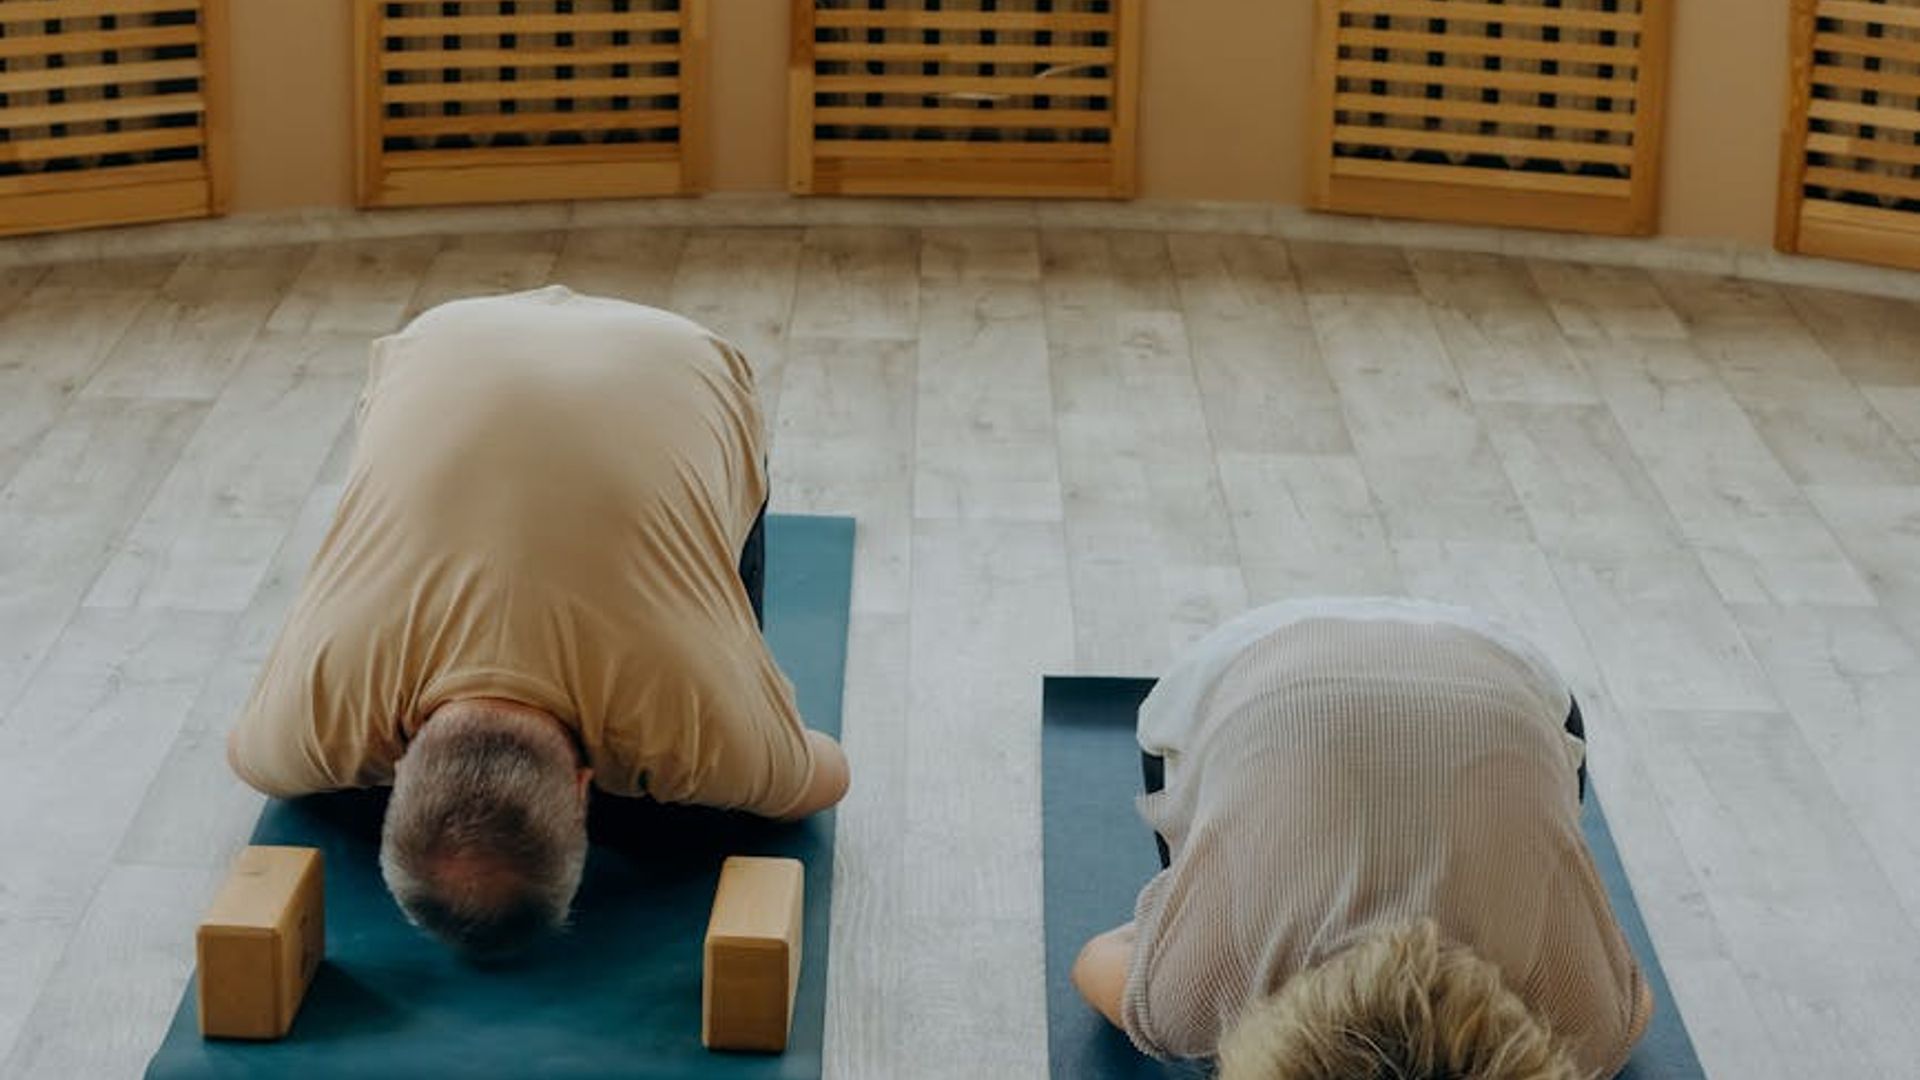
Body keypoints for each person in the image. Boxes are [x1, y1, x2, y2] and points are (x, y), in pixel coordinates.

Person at [227, 286, 849, 958]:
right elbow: (246, 756)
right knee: (695, 801)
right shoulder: (315, 713)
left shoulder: (689, 707)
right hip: (456, 344)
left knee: (702, 818)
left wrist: (720, 752)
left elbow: (823, 778)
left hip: (678, 369)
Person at [1071, 598, 1653, 1080]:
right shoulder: (1195, 1003)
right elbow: (1096, 962)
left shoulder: (1587, 1029)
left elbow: (1639, 1003)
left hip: (1485, 663)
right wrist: (1184, 932)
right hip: (1253, 662)